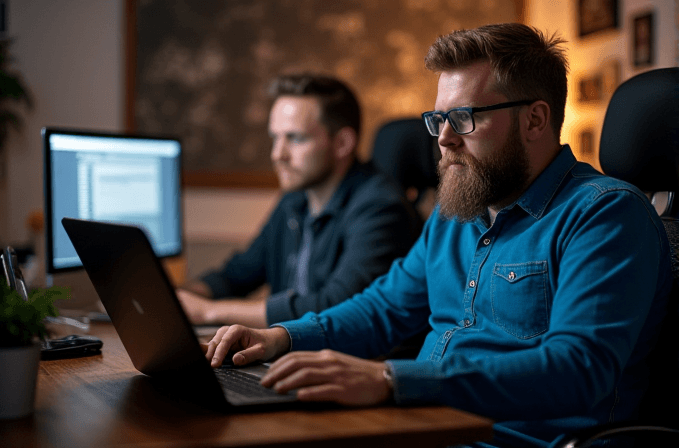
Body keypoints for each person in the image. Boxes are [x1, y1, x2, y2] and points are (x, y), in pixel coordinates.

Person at [203, 23, 672, 447]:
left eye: (465, 118)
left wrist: (391, 380)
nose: (444, 138)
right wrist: (281, 337)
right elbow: (383, 309)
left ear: (535, 119)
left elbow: (577, 370)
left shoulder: (605, 214)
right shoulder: (459, 208)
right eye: (438, 119)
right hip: (419, 427)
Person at [177, 74, 421, 328]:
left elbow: (335, 306)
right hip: (290, 351)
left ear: (342, 143)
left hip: (345, 362)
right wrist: (186, 297)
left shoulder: (381, 207)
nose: (277, 154)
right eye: (275, 138)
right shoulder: (295, 199)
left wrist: (209, 312)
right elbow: (238, 273)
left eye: (295, 138)